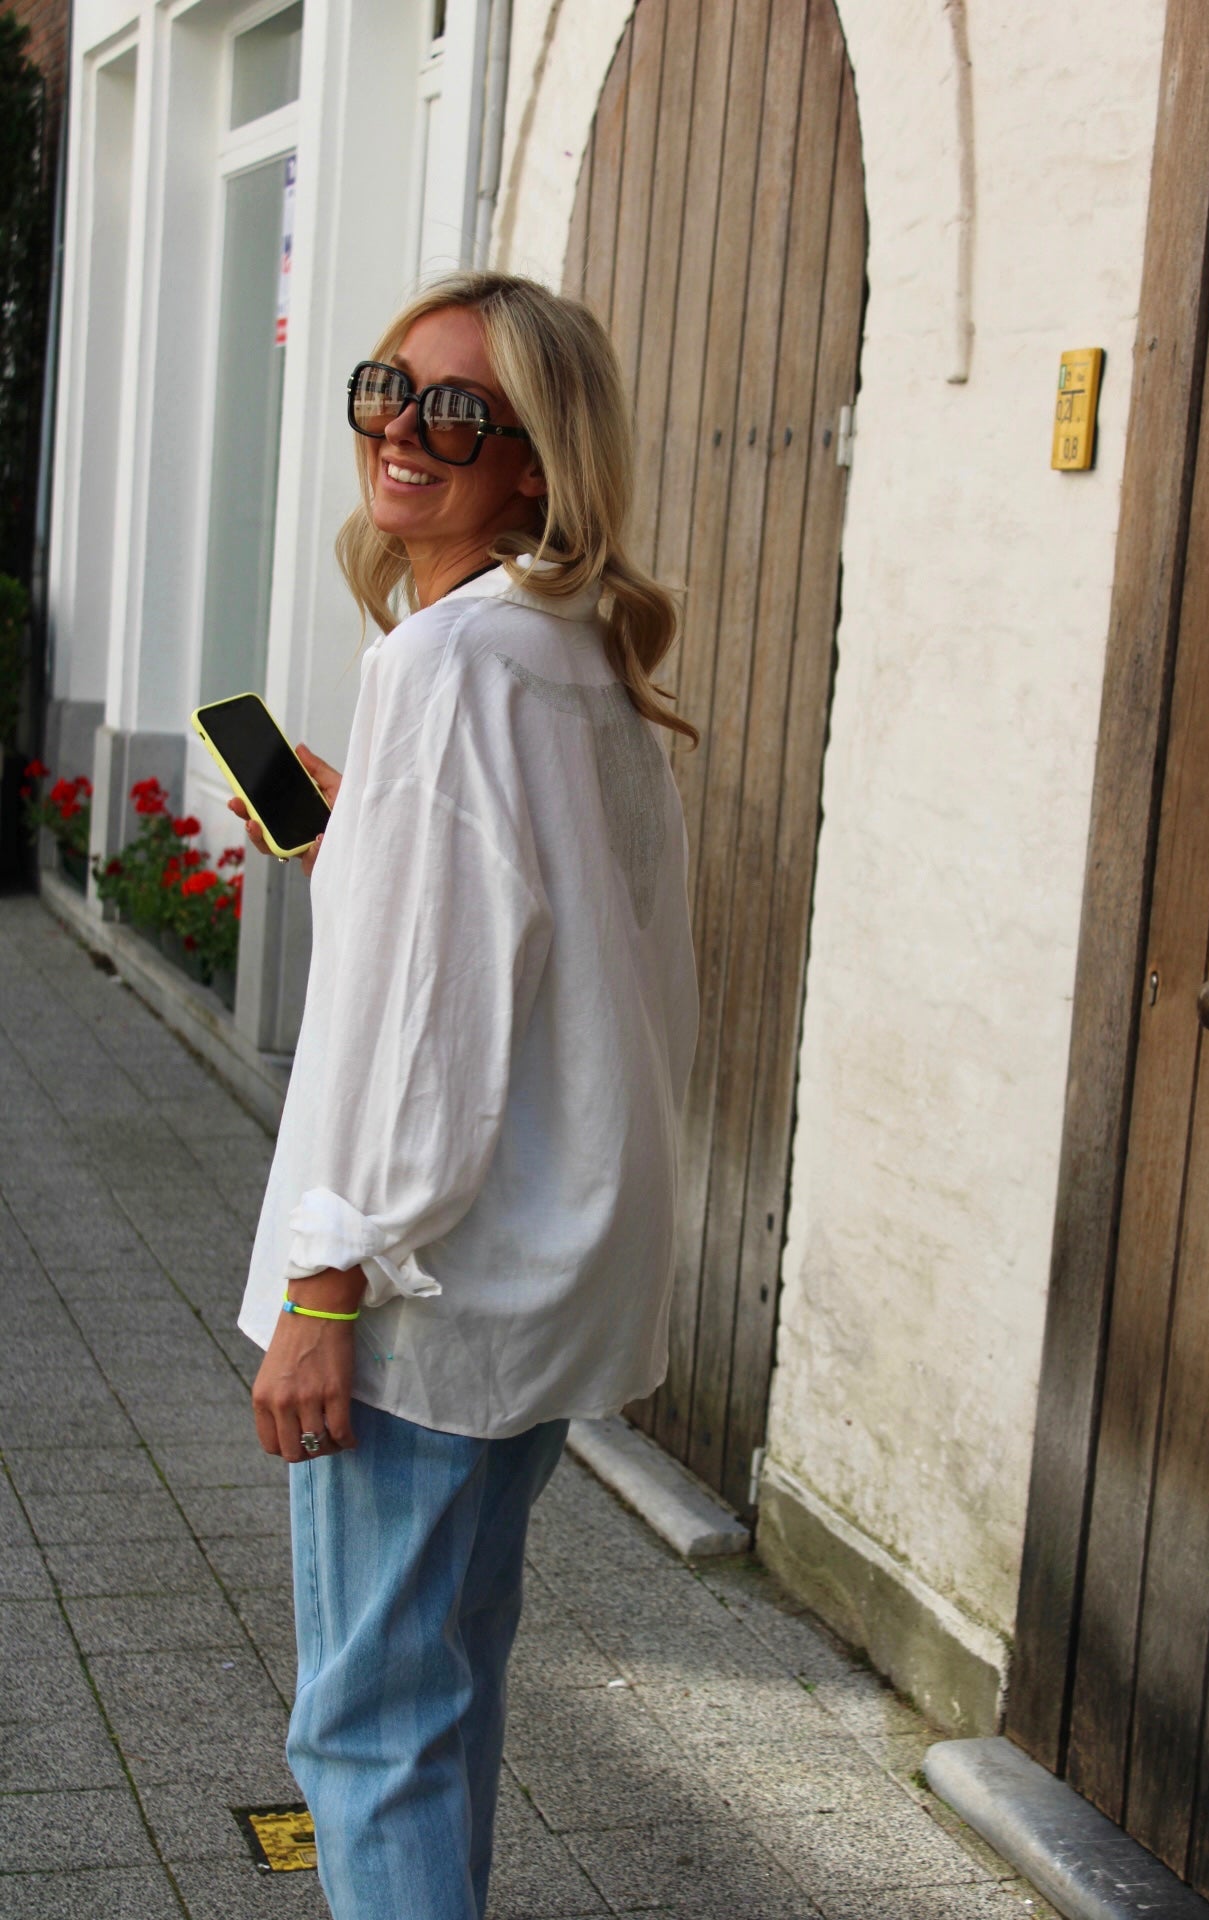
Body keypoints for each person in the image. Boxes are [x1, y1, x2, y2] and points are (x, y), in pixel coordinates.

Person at [233, 270, 700, 1920]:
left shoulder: (452, 664)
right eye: (388, 390)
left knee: (368, 1731)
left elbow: (424, 1025)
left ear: (534, 466)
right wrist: (369, 832)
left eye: (456, 413)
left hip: (432, 1287)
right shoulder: (566, 655)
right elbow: (539, 951)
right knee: (435, 1697)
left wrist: (326, 1280)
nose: (401, 432)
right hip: (541, 1266)